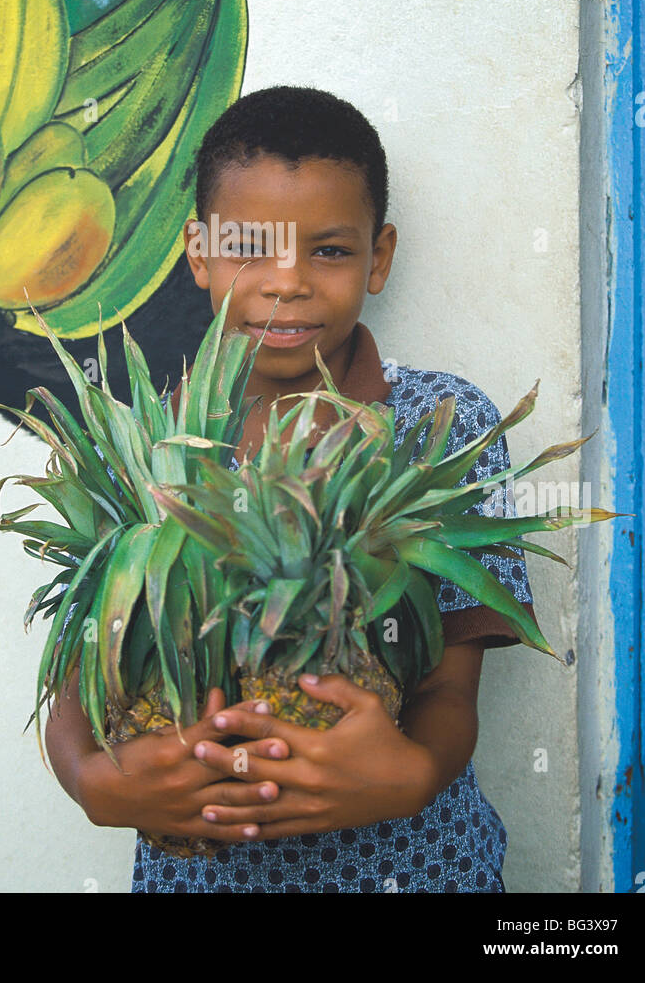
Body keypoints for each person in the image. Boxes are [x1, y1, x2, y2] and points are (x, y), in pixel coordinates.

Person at [44, 84, 535, 893]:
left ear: (378, 257)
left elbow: (450, 683)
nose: (287, 282)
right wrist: (87, 778)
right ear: (197, 253)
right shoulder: (145, 444)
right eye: (249, 249)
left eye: (329, 251)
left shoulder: (437, 423)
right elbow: (84, 662)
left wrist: (413, 775)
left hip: (415, 867)